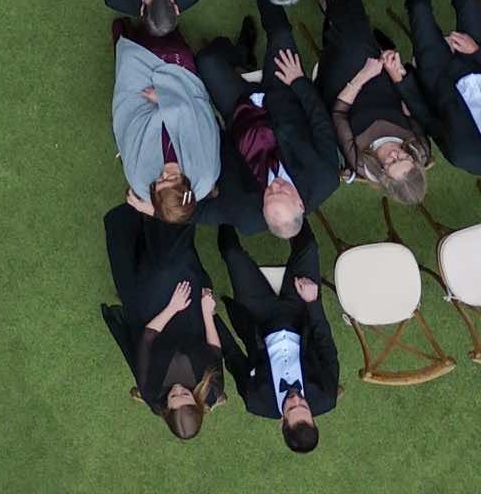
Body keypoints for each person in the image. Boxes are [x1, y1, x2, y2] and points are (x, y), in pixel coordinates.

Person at [195, 6, 339, 235]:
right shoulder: (325, 177)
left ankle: (241, 53)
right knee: (281, 32)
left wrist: (153, 208)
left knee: (207, 60)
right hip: (283, 93)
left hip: (239, 112)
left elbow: (202, 213)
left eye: (269, 194)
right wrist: (299, 81)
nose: (274, 186)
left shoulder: (248, 217)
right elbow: (320, 122)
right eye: (282, 191)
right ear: (300, 204)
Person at [100, 202, 227, 437]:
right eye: (185, 394)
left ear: (167, 408)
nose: (178, 389)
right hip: (191, 321)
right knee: (174, 266)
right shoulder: (211, 390)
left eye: (174, 396)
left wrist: (172, 307)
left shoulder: (151, 391)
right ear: (197, 402)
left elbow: (147, 337)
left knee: (161, 271)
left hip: (152, 320)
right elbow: (214, 351)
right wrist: (207, 312)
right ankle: (173, 209)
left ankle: (158, 213)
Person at [216, 222, 339, 450]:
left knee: (232, 253)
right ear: (313, 417)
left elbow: (233, 357)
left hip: (258, 319)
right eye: (304, 406)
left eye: (291, 407)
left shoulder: (256, 401)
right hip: (299, 313)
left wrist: (211, 316)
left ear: (282, 422)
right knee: (308, 247)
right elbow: (326, 346)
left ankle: (225, 214)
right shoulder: (326, 396)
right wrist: (312, 302)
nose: (296, 399)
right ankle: (291, 209)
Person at [315, 0, 429, 201]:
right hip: (384, 88)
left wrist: (363, 76)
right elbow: (410, 108)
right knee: (355, 41)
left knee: (351, 45)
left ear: (384, 175)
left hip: (344, 94)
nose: (395, 154)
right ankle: (337, 3)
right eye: (403, 157)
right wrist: (396, 74)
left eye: (391, 162)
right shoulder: (420, 149)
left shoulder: (361, 162)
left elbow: (338, 114)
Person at [111, 26, 221, 219]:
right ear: (186, 184)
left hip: (141, 107)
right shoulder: (205, 172)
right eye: (172, 178)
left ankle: (126, 38)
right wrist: (165, 98)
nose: (163, 173)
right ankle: (163, 27)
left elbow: (131, 131)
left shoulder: (142, 183)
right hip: (183, 92)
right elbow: (199, 116)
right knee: (174, 50)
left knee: (129, 60)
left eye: (159, 181)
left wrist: (158, 104)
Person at [392, 0, 481, 172]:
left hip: (440, 77)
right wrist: (476, 52)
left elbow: (429, 121)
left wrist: (402, 82)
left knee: (419, 10)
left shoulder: (462, 155)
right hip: (475, 61)